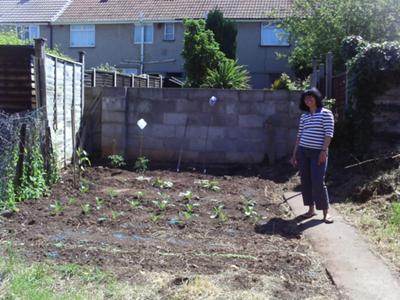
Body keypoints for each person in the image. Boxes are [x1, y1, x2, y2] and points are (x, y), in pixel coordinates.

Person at [290, 87, 334, 223]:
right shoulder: (304, 116)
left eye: (311, 97)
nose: (308, 100)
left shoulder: (326, 113)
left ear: (316, 98)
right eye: (306, 98)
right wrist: (294, 154)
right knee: (306, 181)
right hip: (303, 152)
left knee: (318, 182)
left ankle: (325, 212)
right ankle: (310, 210)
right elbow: (299, 136)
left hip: (318, 153)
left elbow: (328, 134)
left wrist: (323, 151)